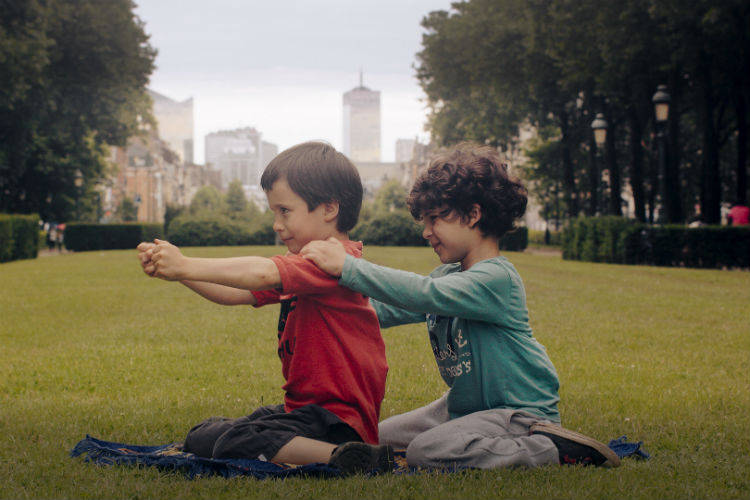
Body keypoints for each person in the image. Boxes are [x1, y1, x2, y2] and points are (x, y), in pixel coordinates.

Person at [301, 142, 620, 470]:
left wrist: (350, 268)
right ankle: (473, 437)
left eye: (435, 219)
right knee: (372, 437)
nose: (426, 232)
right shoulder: (449, 277)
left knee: (426, 452)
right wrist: (315, 296)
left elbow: (425, 294)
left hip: (518, 412)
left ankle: (551, 449)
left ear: (473, 215)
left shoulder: (496, 279)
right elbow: (379, 311)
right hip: (465, 408)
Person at [137, 142, 392, 475]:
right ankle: (329, 452)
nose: (276, 224)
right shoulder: (306, 264)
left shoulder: (335, 262)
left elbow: (260, 272)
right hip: (304, 411)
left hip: (338, 419)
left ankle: (346, 457)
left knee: (232, 442)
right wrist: (178, 273)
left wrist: (185, 264)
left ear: (329, 209)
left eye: (284, 211)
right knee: (202, 436)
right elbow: (237, 292)